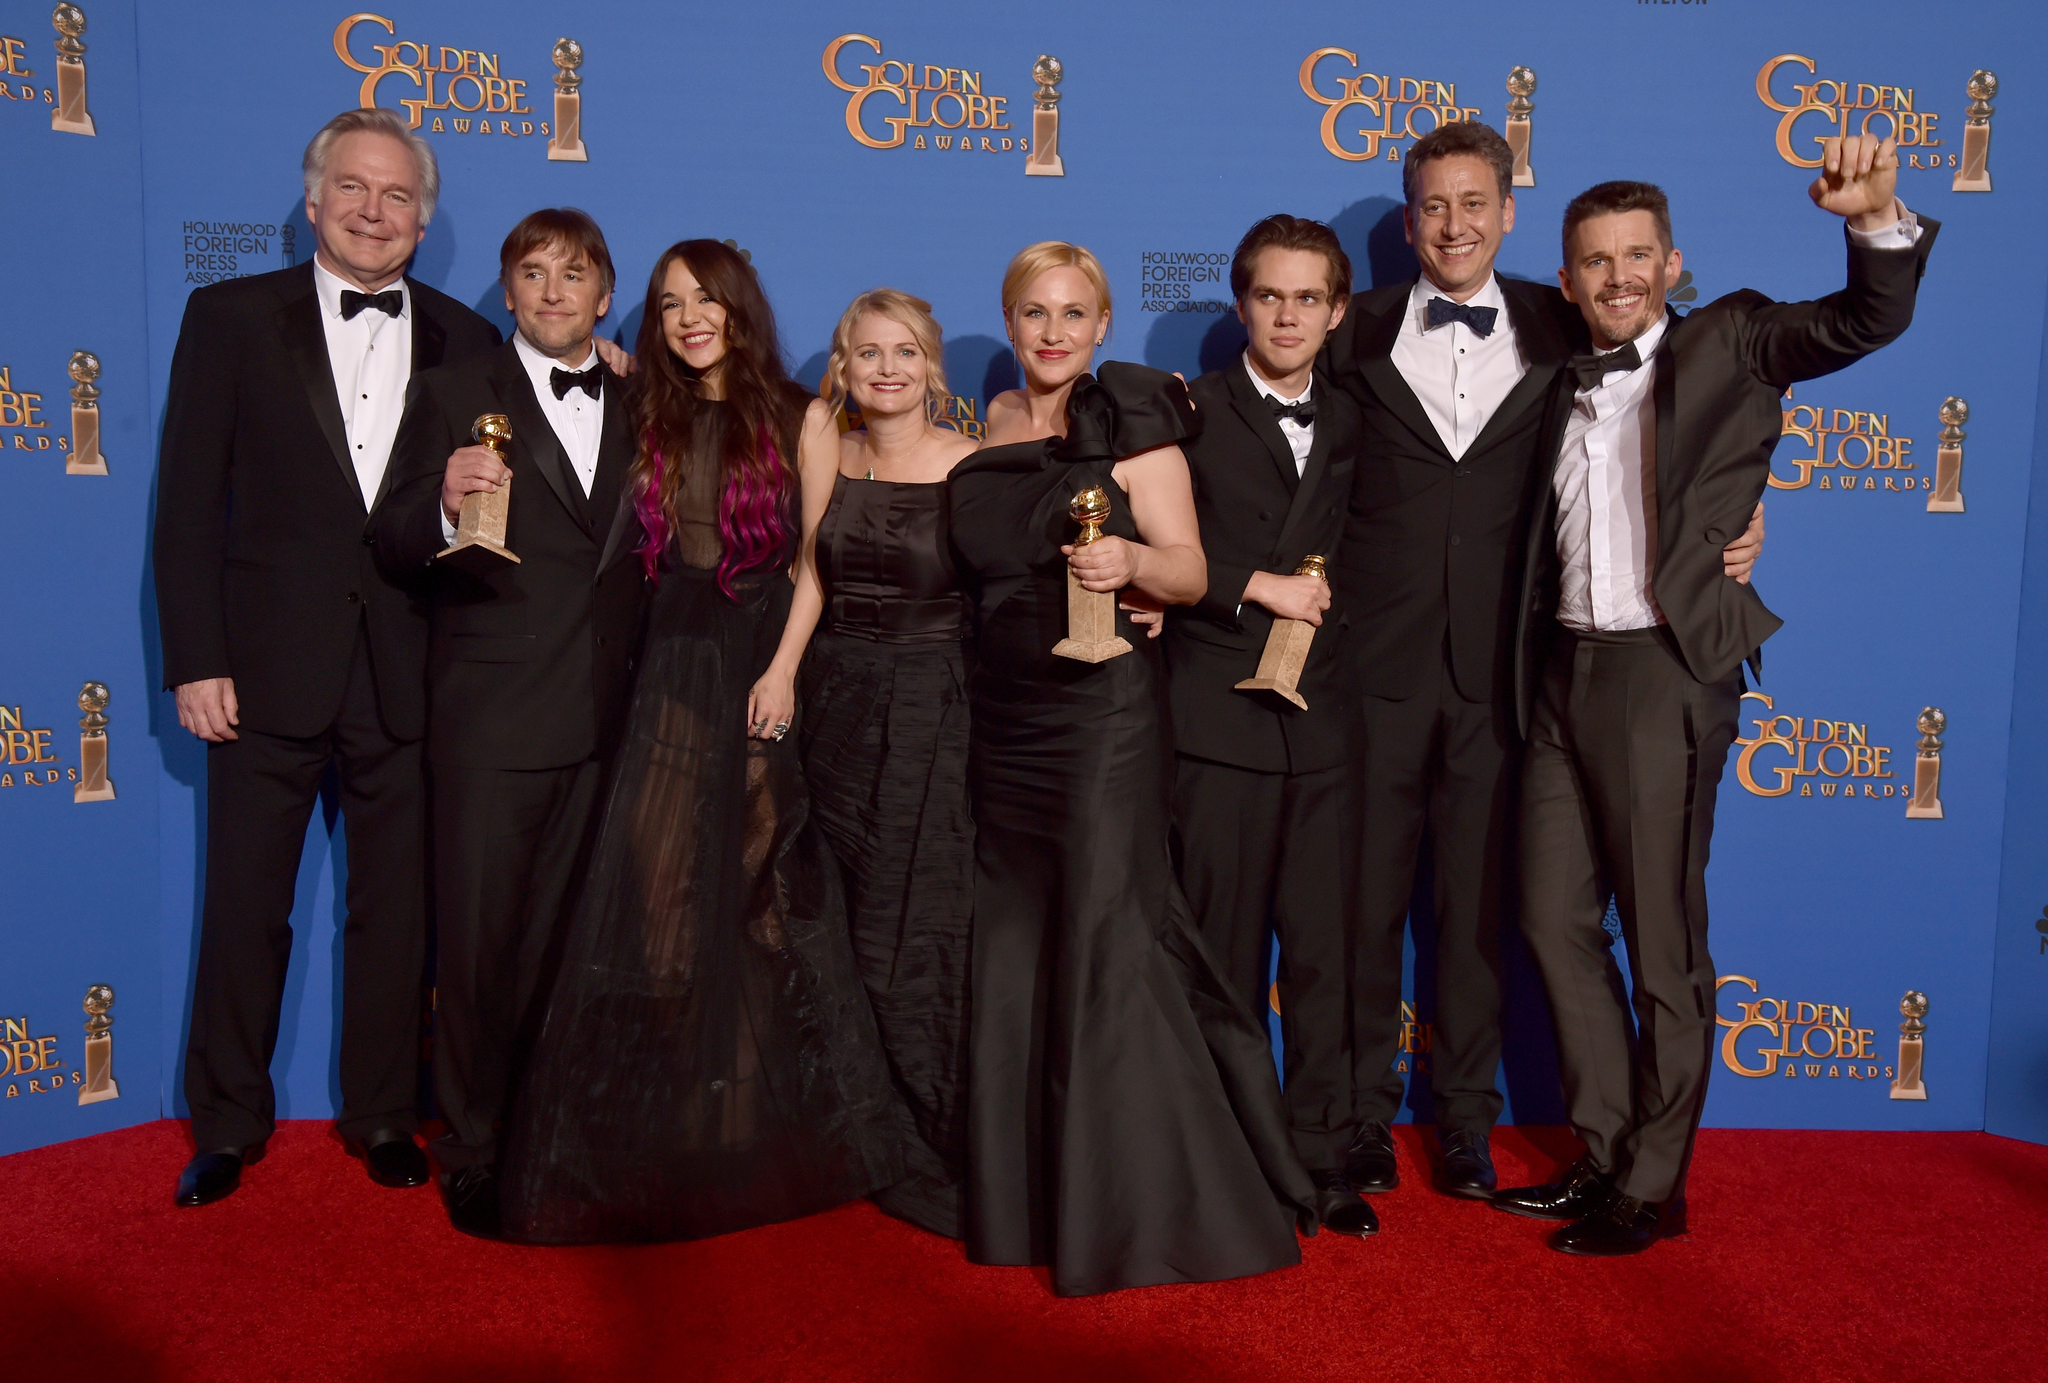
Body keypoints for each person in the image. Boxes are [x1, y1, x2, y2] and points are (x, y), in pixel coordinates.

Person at [1496, 140, 1935, 1255]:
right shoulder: (1549, 373)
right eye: (1593, 262)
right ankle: (1600, 1153)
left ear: (1670, 261)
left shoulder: (1734, 336)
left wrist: (1874, 221)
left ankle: (1653, 1182)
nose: (1616, 278)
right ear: (1566, 278)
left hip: (1662, 673)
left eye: (1635, 255)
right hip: (1558, 671)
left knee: (1660, 944)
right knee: (1551, 924)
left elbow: (1858, 324)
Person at [1319, 122, 1763, 1203]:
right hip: (1371, 673)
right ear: (1409, 217)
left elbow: (1689, 402)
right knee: (1361, 910)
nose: (1452, 225)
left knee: (1480, 916)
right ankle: (1354, 1120)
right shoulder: (1349, 331)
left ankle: (1464, 1124)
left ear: (1507, 212)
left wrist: (1737, 522)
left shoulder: (1561, 320)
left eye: (1473, 202)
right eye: (1431, 206)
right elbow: (1280, 443)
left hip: (1510, 680)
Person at [495, 240, 903, 1244]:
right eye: (668, 302)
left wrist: (781, 672)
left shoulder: (804, 411)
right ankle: (679, 1121)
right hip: (665, 667)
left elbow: (817, 562)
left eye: (704, 299)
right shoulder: (645, 407)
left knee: (758, 901)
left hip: (761, 658)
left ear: (738, 306)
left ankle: (747, 1118)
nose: (686, 317)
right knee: (663, 905)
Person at [949, 241, 1317, 1296]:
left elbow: (1192, 567)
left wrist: (1133, 565)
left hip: (1099, 721)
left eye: (1072, 312)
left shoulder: (1131, 424)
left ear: (1103, 323)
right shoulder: (996, 424)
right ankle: (1026, 1201)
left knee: (1107, 948)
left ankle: (1136, 1210)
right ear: (1010, 321)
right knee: (1020, 952)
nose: (1052, 331)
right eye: (1033, 312)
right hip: (1007, 721)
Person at [154, 107, 499, 1208]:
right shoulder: (229, 318)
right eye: (353, 188)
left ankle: (386, 1112)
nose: (373, 211)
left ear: (424, 218)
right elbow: (186, 505)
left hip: (408, 668)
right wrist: (196, 656)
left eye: (397, 197)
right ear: (312, 202)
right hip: (260, 668)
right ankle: (225, 1123)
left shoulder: (466, 339)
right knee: (245, 904)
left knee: (396, 912)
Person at [370, 208, 645, 1237]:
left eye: (571, 274)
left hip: (611, 723)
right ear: (508, 289)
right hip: (489, 721)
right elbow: (392, 536)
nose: (550, 292)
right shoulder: (450, 393)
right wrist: (441, 501)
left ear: (603, 294)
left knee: (579, 943)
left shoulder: (639, 396)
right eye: (529, 274)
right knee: (481, 948)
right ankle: (478, 1146)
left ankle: (560, 1127)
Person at [1163, 216, 1375, 1237]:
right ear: (1239, 304)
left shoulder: (1360, 417)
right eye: (1267, 296)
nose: (1286, 316)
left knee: (1324, 958)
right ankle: (1233, 1158)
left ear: (1336, 312)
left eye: (1307, 299)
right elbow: (1136, 542)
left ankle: (1325, 1160)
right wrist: (1254, 586)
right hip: (1215, 721)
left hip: (1327, 726)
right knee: (1226, 957)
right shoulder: (1184, 414)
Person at [800, 290, 979, 1238]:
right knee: (836, 911)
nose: (886, 368)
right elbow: (807, 571)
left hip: (932, 711)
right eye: (867, 352)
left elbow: (1011, 597)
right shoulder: (832, 443)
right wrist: (784, 672)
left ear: (931, 366)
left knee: (913, 921)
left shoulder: (972, 463)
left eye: (904, 351)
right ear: (844, 364)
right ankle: (849, 1127)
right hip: (834, 699)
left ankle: (923, 1132)